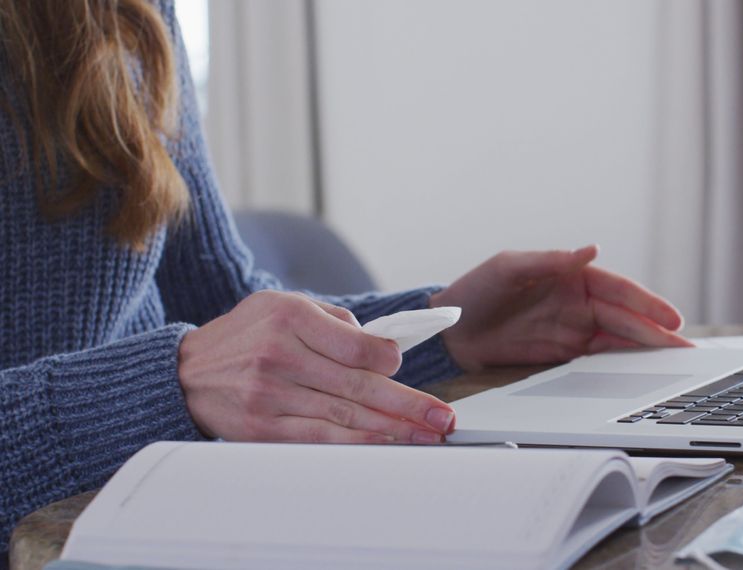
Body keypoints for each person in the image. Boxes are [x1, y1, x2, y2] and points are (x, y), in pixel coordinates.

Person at [0, 0, 692, 560]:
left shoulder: (125, 13)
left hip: (160, 505)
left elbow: (220, 302)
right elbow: (198, 365)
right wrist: (162, 385)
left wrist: (439, 326)